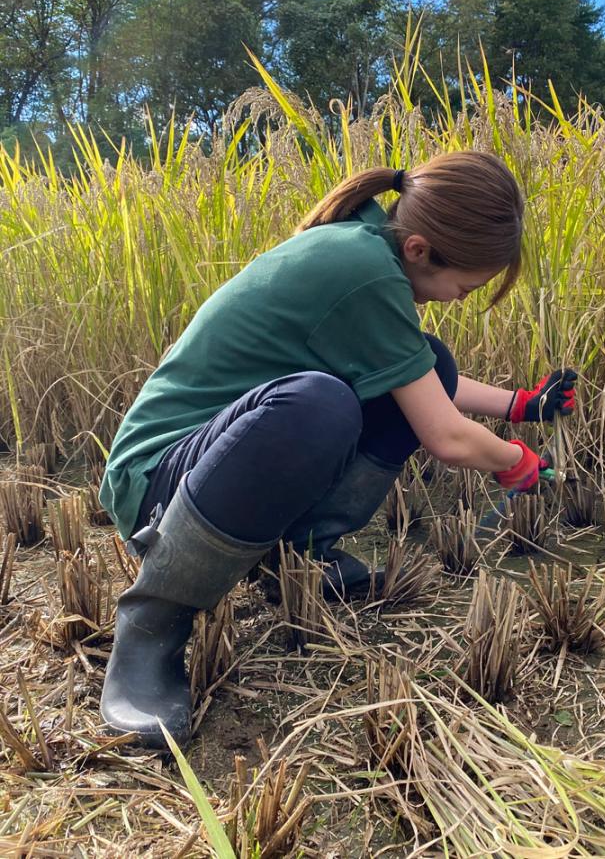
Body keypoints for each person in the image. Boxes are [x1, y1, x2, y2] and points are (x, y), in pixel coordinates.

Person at [98, 151, 578, 749]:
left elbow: (424, 377)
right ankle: (152, 623)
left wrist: (523, 405)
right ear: (421, 250)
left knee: (425, 361)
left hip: (218, 455)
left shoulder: (368, 248)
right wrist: (517, 463)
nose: (459, 299)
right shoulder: (366, 270)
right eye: (466, 286)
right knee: (317, 406)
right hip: (161, 482)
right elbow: (445, 435)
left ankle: (297, 559)